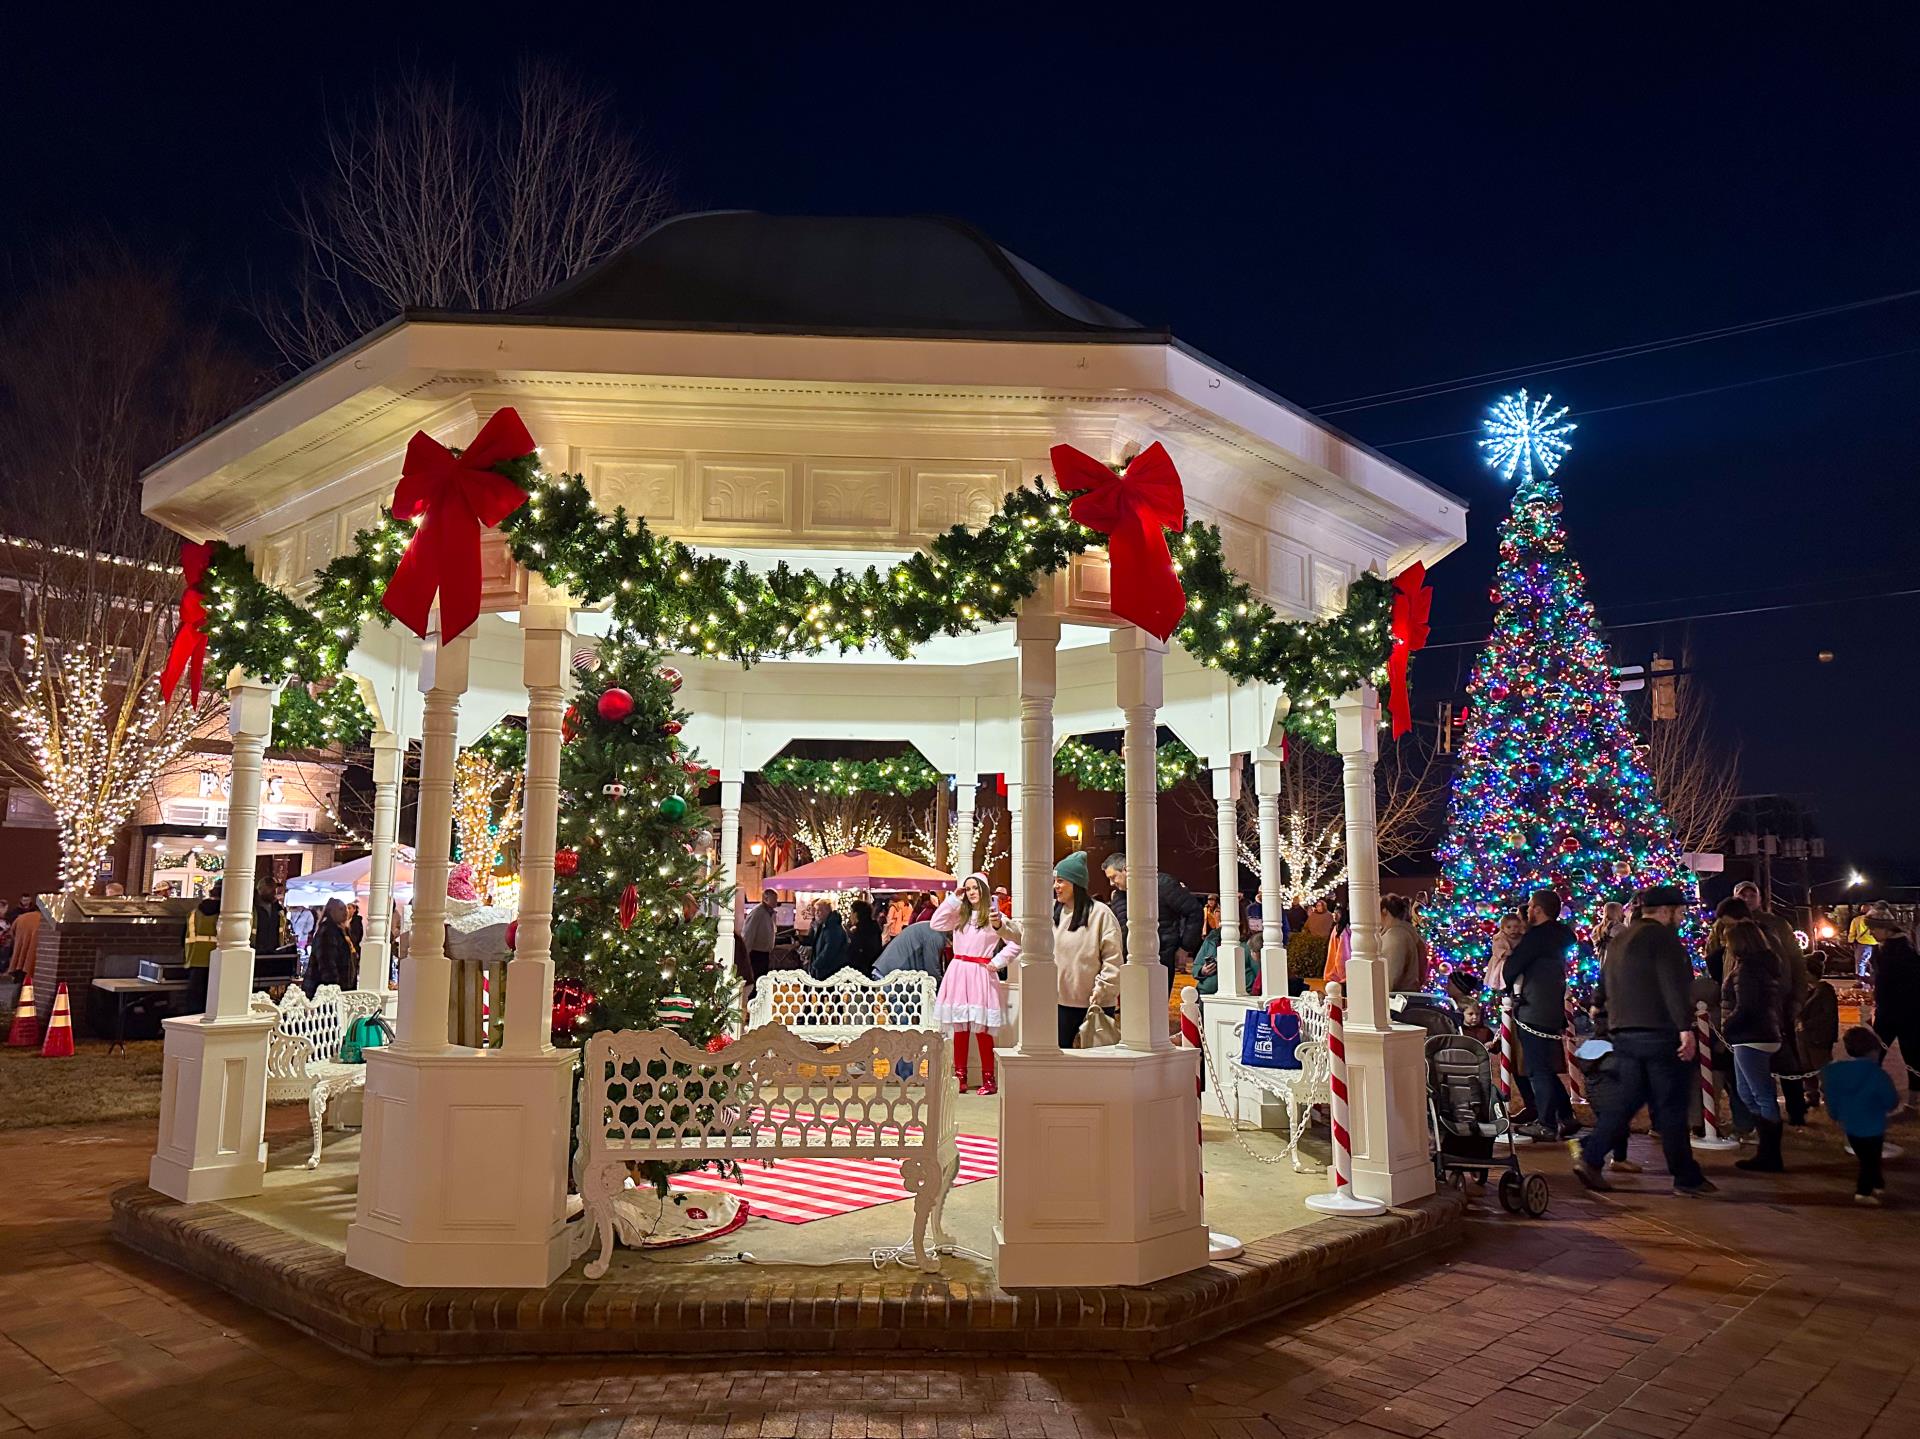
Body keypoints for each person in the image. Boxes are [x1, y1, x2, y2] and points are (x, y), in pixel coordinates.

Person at [1572, 885, 1715, 1197]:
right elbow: (1673, 984)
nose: (1682, 917)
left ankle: (1591, 1156)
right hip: (1659, 1032)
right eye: (1680, 911)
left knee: (1627, 1100)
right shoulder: (1664, 939)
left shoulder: (1620, 939)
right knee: (1671, 1106)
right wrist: (1684, 1027)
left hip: (1624, 1032)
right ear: (1665, 911)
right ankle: (1686, 1178)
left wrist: (1600, 1007)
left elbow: (1603, 982)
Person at [931, 873, 1018, 1093]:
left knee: (983, 1028)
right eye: (967, 888)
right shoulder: (960, 915)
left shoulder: (994, 916)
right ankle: (960, 1076)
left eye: (975, 888)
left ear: (984, 890)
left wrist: (997, 962)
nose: (971, 892)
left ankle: (989, 1079)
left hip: (981, 973)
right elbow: (935, 922)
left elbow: (1016, 942)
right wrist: (954, 898)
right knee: (960, 1026)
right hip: (959, 972)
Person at [1732, 880, 1810, 1125]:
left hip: (1779, 1002)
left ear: (1760, 897)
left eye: (1751, 894)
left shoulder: (1777, 924)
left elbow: (1796, 962)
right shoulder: (1726, 926)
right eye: (1742, 895)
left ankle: (1796, 1111)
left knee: (1788, 1062)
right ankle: (1753, 1118)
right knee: (1747, 1069)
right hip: (1742, 1001)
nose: (1747, 899)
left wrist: (1797, 997)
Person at [1503, 888, 1578, 1140]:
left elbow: (1511, 968)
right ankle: (1566, 1117)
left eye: (1531, 905)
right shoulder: (1559, 936)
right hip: (1551, 1007)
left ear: (1538, 909)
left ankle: (1546, 1124)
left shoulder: (1536, 938)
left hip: (1533, 1008)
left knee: (1538, 1070)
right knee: (1545, 1067)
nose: (1528, 910)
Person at [1720, 917, 1790, 1173]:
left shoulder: (1748, 969)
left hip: (1751, 1035)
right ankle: (1766, 1149)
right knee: (1748, 1092)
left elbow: (1746, 1006)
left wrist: (1727, 1026)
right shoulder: (1764, 966)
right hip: (1760, 1033)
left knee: (1760, 1094)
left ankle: (1770, 1154)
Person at [1050, 852, 1122, 1051]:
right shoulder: (1053, 912)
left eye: (1061, 881)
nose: (1055, 886)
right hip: (1061, 1003)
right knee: (1061, 1057)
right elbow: (1027, 933)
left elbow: (1113, 958)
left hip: (1094, 1004)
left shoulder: (1101, 913)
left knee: (1096, 1059)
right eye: (1055, 881)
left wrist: (1102, 989)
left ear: (1076, 883)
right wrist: (1000, 925)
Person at [1825, 1026, 1901, 1204]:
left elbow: (1832, 1097)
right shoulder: (1877, 1074)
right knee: (1870, 1160)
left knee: (1867, 1157)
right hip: (1873, 1125)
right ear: (1872, 1051)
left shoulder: (1836, 1073)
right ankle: (1863, 1192)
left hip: (1850, 1125)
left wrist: (1835, 1114)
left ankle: (1877, 1183)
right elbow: (1890, 1098)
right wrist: (1889, 1107)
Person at [1101, 852, 1204, 974]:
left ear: (1126, 869)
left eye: (1113, 877)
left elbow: (1194, 912)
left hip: (1162, 957)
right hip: (1128, 961)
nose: (1111, 883)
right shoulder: (1118, 896)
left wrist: (1185, 948)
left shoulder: (1164, 885)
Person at [1868, 913, 1920, 1110]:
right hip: (1895, 1011)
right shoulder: (1888, 948)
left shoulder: (1901, 951)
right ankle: (1911, 1098)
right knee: (1907, 1054)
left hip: (1900, 1012)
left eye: (1873, 928)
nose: (1871, 933)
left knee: (1906, 1054)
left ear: (1886, 928)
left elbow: (1896, 983)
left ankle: (1911, 1098)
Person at [1800, 965, 1840, 1110]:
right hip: (1806, 1036)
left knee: (1822, 1067)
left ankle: (1831, 1098)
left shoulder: (1825, 991)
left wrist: (1807, 1024)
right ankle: (1812, 1095)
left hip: (1818, 1037)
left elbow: (1828, 1016)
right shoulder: (1809, 990)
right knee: (1807, 1067)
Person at [305, 897, 358, 996]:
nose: (345, 912)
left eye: (346, 908)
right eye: (341, 909)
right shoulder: (327, 932)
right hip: (325, 992)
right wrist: (334, 987)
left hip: (341, 989)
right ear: (331, 912)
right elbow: (327, 962)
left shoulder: (344, 931)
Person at [182, 883, 220, 1014]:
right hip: (219, 961)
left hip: (195, 960)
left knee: (195, 1002)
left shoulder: (194, 913)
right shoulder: (226, 914)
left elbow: (183, 938)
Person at [875, 920, 948, 981]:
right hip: (890, 977)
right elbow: (932, 971)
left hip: (884, 971)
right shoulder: (936, 936)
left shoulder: (929, 928)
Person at [1378, 894, 1423, 992]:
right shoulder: (1404, 933)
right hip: (1405, 994)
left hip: (1397, 997)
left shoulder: (1395, 936)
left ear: (1384, 911)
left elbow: (1390, 974)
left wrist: (1380, 994)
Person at [741, 892, 779, 993]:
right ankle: (753, 999)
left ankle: (758, 997)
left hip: (764, 953)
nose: (776, 902)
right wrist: (746, 953)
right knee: (757, 979)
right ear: (766, 898)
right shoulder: (757, 912)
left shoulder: (769, 913)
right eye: (774, 899)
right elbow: (748, 932)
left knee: (761, 979)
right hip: (756, 953)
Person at [805, 902, 851, 979]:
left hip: (829, 972)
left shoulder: (832, 928)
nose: (816, 913)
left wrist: (816, 965)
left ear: (826, 911)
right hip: (825, 971)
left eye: (819, 911)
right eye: (816, 911)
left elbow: (829, 950)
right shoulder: (824, 926)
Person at [4, 899, 42, 986]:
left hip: (18, 956)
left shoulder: (21, 918)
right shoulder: (43, 920)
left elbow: (12, 933)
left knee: (19, 984)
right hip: (33, 958)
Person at [1486, 911, 1526, 992]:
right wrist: (1504, 952)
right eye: (1509, 927)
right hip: (1502, 961)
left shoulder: (1521, 937)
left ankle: (1517, 991)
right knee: (1502, 974)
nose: (1513, 929)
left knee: (1520, 975)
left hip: (1516, 960)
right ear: (1503, 928)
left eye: (1516, 927)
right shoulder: (1500, 938)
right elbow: (1496, 950)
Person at [846, 898, 882, 978]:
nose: (850, 916)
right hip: (871, 970)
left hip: (861, 973)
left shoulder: (862, 931)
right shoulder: (873, 928)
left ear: (856, 914)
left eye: (851, 912)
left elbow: (855, 954)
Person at [1322, 905, 1351, 987]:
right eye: (1334, 913)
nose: (1335, 915)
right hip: (1335, 964)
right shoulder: (1336, 928)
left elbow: (1344, 952)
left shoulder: (1344, 930)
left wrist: (1341, 967)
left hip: (1340, 967)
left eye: (1338, 913)